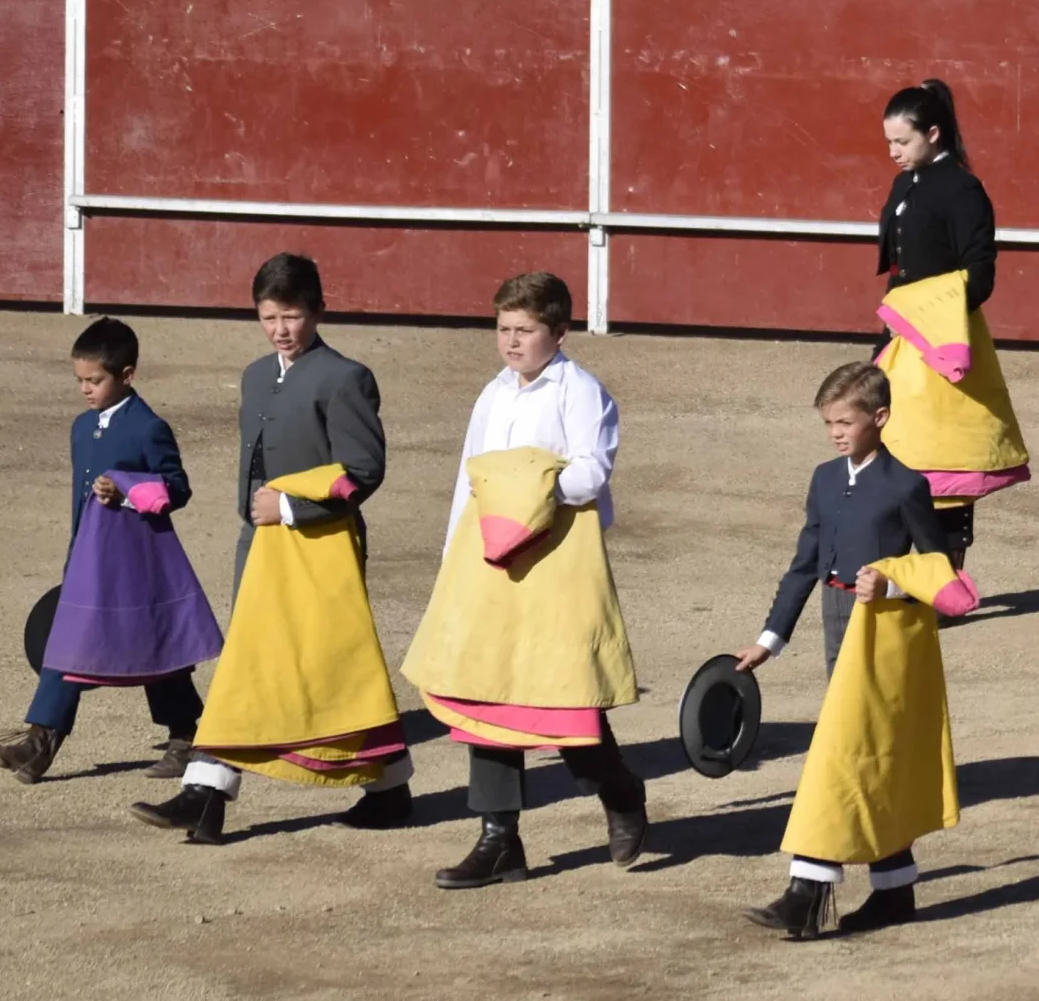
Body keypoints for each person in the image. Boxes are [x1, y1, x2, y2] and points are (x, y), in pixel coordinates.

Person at [128, 254, 406, 844]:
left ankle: (381, 787)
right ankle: (383, 786)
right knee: (255, 662)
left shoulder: (344, 376)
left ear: (318, 312)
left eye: (293, 316)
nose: (281, 328)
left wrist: (288, 509)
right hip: (258, 543)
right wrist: (259, 521)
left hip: (318, 543)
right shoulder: (256, 374)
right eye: (269, 317)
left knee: (328, 663)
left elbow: (363, 471)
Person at [401, 272, 649, 889]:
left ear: (558, 333)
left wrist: (527, 493)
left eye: (525, 331)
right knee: (487, 689)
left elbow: (592, 473)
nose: (512, 343)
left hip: (555, 553)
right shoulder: (493, 394)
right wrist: (453, 556)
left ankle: (618, 792)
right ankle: (498, 837)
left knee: (559, 692)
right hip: (488, 557)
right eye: (504, 330)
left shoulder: (581, 391)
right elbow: (470, 477)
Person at [738, 362, 962, 938]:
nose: (836, 432)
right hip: (836, 619)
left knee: (841, 749)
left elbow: (945, 573)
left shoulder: (906, 485)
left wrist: (891, 585)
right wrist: (771, 638)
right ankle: (893, 891)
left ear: (879, 418)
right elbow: (806, 562)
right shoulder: (822, 478)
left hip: (884, 629)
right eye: (828, 423)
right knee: (867, 749)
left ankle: (806, 892)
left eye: (846, 421)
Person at [0, 318, 220, 785]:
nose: (85, 390)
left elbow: (177, 488)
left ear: (126, 376)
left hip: (138, 559)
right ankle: (39, 743)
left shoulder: (148, 427)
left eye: (95, 381)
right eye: (80, 381)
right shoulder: (81, 428)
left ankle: (186, 736)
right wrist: (75, 554)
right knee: (68, 642)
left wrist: (128, 491)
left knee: (156, 645)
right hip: (92, 557)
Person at [874, 79, 1028, 570]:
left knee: (945, 453)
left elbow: (979, 275)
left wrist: (928, 311)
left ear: (934, 133)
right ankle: (899, 571)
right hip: (901, 335)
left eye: (903, 142)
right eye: (890, 143)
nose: (894, 153)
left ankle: (946, 580)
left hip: (943, 337)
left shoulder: (962, 188)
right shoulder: (906, 182)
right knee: (895, 444)